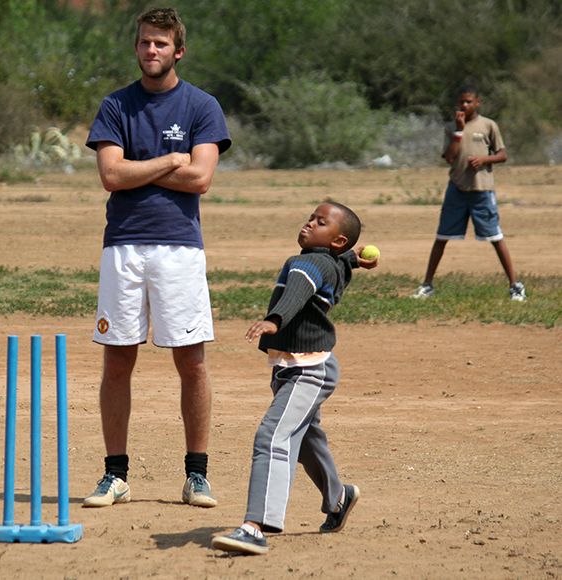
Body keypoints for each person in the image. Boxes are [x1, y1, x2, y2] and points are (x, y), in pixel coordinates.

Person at [82, 7, 231, 509]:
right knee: (118, 360)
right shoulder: (115, 105)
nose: (151, 51)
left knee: (191, 362)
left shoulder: (202, 106)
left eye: (161, 44)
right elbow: (110, 176)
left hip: (179, 249)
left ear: (178, 50)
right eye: (145, 43)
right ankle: (115, 476)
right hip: (122, 246)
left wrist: (135, 167)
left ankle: (197, 475)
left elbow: (202, 180)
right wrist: (170, 160)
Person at [211, 202, 378, 555]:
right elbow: (333, 264)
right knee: (305, 440)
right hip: (295, 367)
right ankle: (338, 497)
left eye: (320, 222)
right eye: (311, 218)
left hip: (307, 370)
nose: (309, 223)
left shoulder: (309, 263)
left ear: (338, 240)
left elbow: (297, 292)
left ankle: (255, 526)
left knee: (272, 436)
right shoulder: (332, 262)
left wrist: (275, 319)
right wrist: (352, 258)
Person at [411, 84, 526, 301]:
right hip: (457, 188)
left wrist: (485, 159)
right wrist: (458, 131)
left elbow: (502, 155)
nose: (465, 105)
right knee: (441, 237)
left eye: (469, 101)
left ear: (477, 102)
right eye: (462, 101)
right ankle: (427, 285)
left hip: (482, 190)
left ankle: (515, 285)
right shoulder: (452, 127)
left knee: (496, 237)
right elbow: (451, 158)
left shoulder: (488, 125)